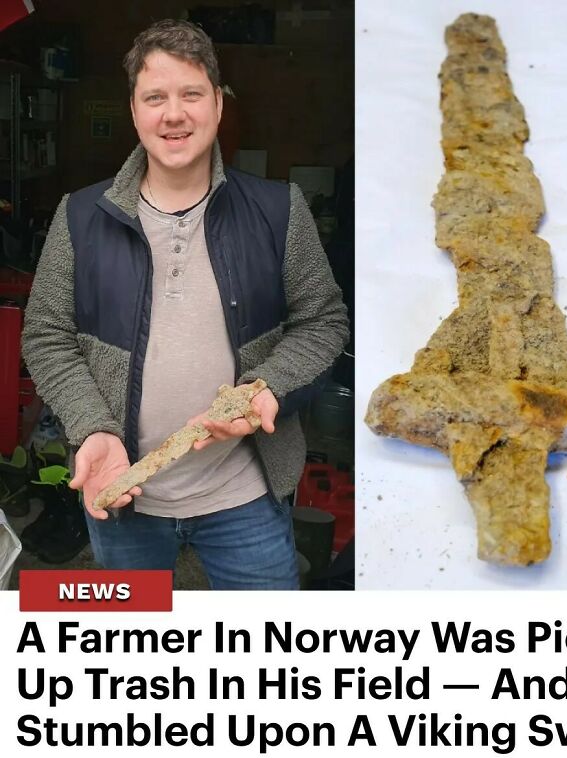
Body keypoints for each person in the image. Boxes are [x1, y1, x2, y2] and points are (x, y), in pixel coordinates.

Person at [21, 19, 349, 590]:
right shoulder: (80, 215)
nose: (174, 114)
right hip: (123, 494)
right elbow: (46, 334)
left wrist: (268, 386)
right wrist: (92, 427)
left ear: (218, 106)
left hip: (245, 495)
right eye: (156, 97)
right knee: (133, 659)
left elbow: (323, 323)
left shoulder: (279, 210)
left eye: (191, 94)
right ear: (134, 111)